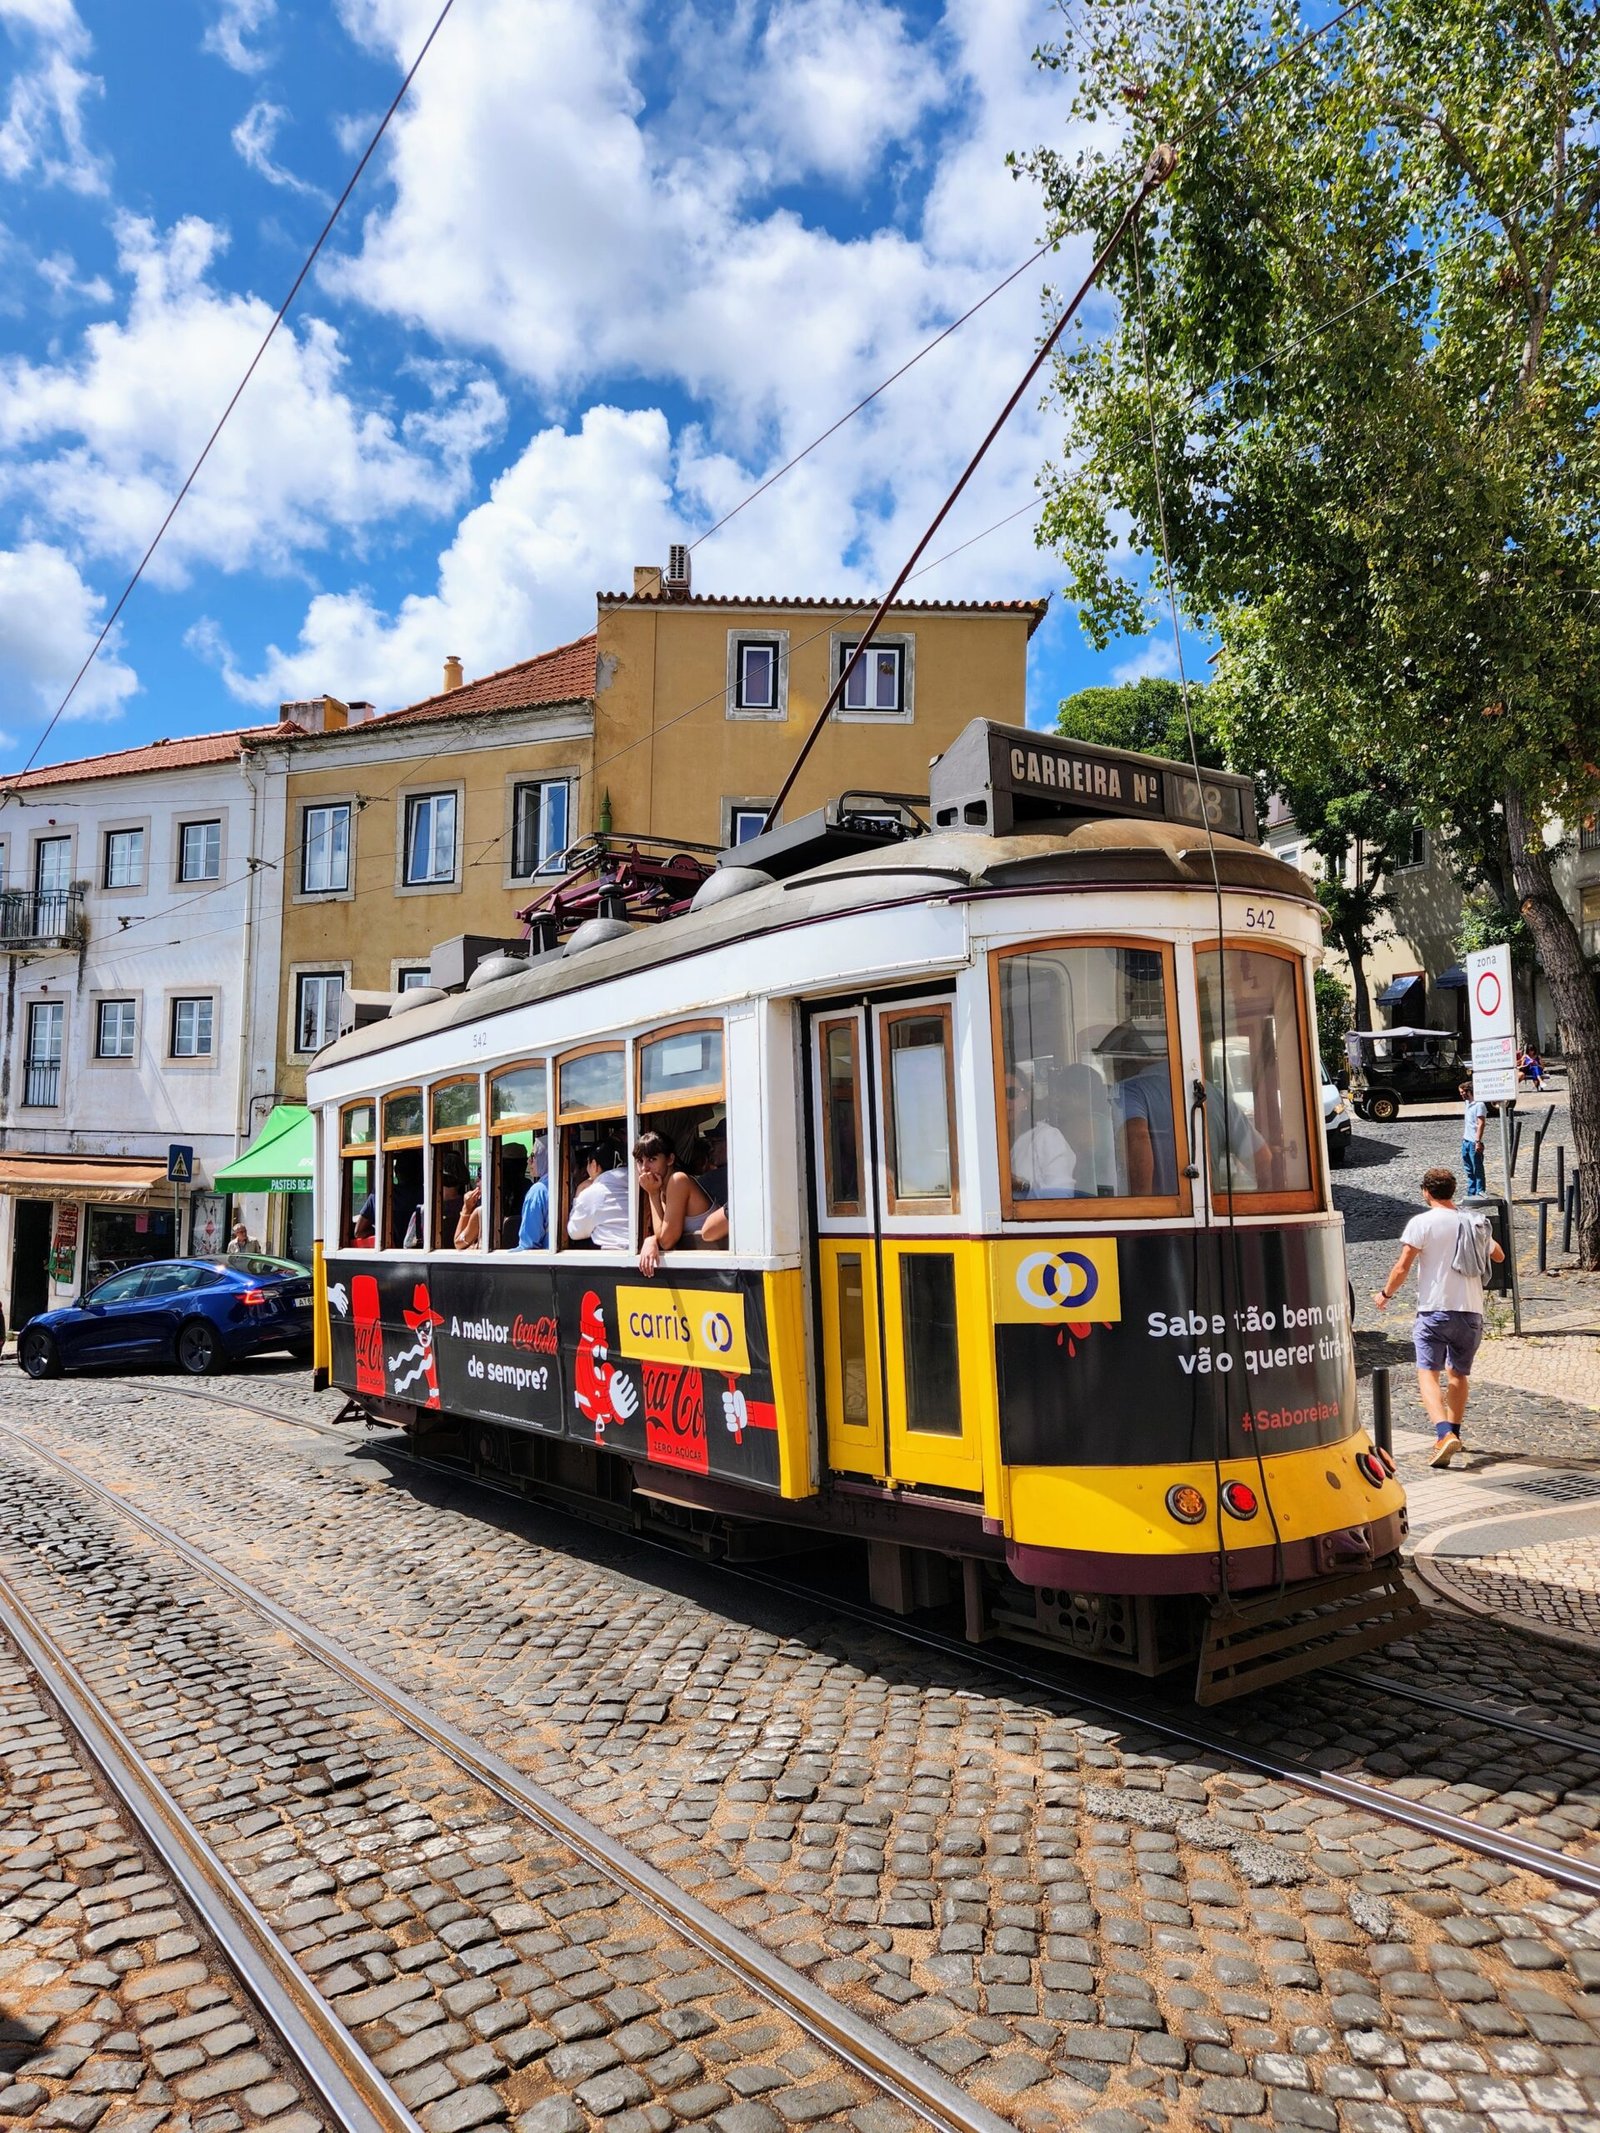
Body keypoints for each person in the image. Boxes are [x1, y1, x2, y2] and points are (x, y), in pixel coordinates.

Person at [1373, 1165, 1505, 1467]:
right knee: (1458, 1374)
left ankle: (1443, 1433)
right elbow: (1498, 1256)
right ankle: (1454, 1432)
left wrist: (1385, 1294)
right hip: (1471, 1312)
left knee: (1427, 1373)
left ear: (1425, 1191)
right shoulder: (1473, 1223)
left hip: (1434, 1311)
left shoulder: (1422, 1223)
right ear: (1452, 1191)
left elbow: (1403, 1266)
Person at [635, 1130, 720, 1275]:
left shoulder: (678, 1180)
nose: (644, 1168)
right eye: (640, 1161)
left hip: (717, 1266)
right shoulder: (664, 1190)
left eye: (652, 1159)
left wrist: (652, 1194)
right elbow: (663, 1233)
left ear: (670, 1159)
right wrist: (652, 1239)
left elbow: (666, 1241)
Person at [1004, 1070, 1076, 1198]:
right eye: (996, 1095)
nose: (1004, 1101)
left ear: (1027, 1097)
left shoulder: (1047, 1137)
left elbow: (1062, 1197)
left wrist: (1022, 1186)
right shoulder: (988, 1145)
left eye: (1011, 1093)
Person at [566, 1141, 629, 1250]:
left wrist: (579, 1192)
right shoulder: (640, 1186)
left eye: (588, 1163)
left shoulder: (592, 1194)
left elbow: (574, 1231)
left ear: (594, 1165)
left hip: (609, 1259)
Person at [517, 1136, 549, 1250]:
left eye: (533, 1156)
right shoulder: (570, 1184)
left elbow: (528, 1242)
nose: (528, 1161)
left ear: (545, 1158)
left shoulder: (538, 1191)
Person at [1460, 1077, 1488, 1197]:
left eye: (1462, 1092)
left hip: (1473, 1141)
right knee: (1469, 1169)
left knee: (1477, 1169)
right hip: (1466, 1141)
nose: (1461, 1095)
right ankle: (1471, 1194)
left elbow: (1481, 1123)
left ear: (1469, 1091)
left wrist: (1478, 1141)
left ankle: (1480, 1191)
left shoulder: (1479, 1105)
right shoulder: (1468, 1103)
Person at [454, 1182, 483, 1250]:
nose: (477, 1180)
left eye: (480, 1175)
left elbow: (458, 1243)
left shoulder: (480, 1212)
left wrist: (467, 1208)